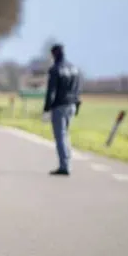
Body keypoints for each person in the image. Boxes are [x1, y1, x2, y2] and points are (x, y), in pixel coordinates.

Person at [42, 44, 82, 176]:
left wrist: (47, 108)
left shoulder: (55, 69)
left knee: (60, 136)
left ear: (54, 54)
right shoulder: (74, 68)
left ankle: (64, 166)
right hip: (71, 105)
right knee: (66, 135)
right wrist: (77, 104)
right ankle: (67, 161)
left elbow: (51, 91)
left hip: (59, 105)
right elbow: (78, 88)